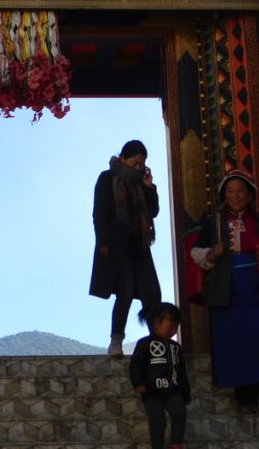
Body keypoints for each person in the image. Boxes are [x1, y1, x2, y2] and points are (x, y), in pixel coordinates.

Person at [189, 169, 259, 412]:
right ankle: (244, 392)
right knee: (235, 340)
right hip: (227, 289)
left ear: (250, 195)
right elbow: (196, 252)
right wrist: (212, 254)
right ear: (223, 194)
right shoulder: (213, 222)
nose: (235, 196)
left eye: (240, 191)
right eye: (230, 191)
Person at [89, 139, 162, 357]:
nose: (138, 168)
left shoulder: (142, 184)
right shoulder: (107, 178)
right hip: (117, 246)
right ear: (123, 158)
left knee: (152, 294)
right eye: (134, 163)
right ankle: (116, 341)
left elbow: (153, 212)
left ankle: (157, 341)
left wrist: (150, 188)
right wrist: (103, 242)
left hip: (140, 245)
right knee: (126, 292)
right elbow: (99, 213)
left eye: (141, 164)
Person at [129, 302, 191, 449]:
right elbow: (136, 365)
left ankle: (176, 444)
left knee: (179, 412)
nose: (173, 330)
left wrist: (185, 393)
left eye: (176, 327)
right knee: (158, 420)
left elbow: (181, 371)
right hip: (151, 392)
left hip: (173, 391)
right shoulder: (144, 343)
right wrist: (138, 383)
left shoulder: (176, 347)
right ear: (157, 323)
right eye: (170, 326)